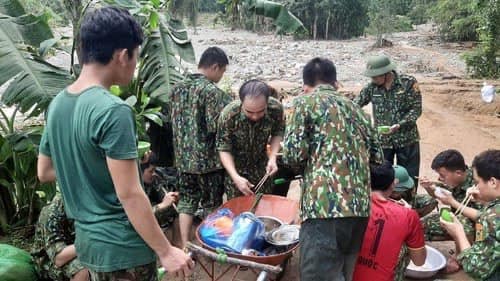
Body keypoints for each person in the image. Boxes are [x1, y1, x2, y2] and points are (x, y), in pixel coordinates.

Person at [37, 7, 193, 281]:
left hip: (90, 247)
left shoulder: (58, 104)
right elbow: (130, 194)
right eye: (136, 57)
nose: (135, 66)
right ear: (123, 55)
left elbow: (45, 171)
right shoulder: (112, 110)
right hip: (124, 249)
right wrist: (166, 251)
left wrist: (91, 166)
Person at [283, 57, 384, 281]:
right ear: (335, 82)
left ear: (305, 85)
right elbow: (378, 157)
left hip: (324, 206)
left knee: (319, 276)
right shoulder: (358, 111)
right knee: (343, 272)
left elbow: (292, 155)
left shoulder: (303, 104)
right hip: (359, 207)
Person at [170, 46, 233, 248]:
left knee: (187, 201)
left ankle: (186, 245)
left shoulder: (176, 88)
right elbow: (218, 127)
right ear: (215, 67)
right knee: (211, 204)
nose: (222, 76)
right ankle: (208, 246)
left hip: (183, 161)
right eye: (222, 71)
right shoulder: (212, 92)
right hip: (208, 164)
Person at [354, 54, 422, 193]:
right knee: (382, 179)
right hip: (383, 142)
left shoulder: (408, 83)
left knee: (409, 177)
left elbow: (416, 109)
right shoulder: (372, 88)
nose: (372, 79)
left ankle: (410, 209)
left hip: (407, 139)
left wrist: (400, 125)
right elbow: (355, 105)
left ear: (386, 73)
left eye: (375, 76)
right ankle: (387, 210)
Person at [353, 161, 426, 281]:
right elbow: (419, 261)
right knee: (406, 243)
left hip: (344, 274)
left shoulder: (351, 205)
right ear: (393, 184)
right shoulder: (408, 215)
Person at [217, 79, 285, 199]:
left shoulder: (275, 109)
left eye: (260, 111)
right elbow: (223, 148)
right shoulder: (229, 115)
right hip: (236, 170)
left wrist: (273, 157)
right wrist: (235, 177)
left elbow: (277, 133)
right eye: (249, 112)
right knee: (238, 210)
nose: (255, 116)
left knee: (263, 206)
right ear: (241, 102)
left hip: (262, 168)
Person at [440, 149, 499, 281]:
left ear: (493, 182)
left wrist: (459, 233)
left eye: (478, 182)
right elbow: (484, 215)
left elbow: (476, 269)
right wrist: (483, 200)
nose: (476, 187)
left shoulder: (493, 217)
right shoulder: (493, 209)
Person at [419, 149, 480, 241]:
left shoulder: (479, 185)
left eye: (442, 175)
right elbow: (438, 194)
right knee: (419, 226)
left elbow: (482, 218)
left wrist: (453, 202)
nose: (439, 179)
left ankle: (469, 251)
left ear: (458, 173)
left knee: (464, 224)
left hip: (480, 228)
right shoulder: (455, 180)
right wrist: (428, 187)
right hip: (458, 218)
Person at [31, 194, 89, 281]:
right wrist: (92, 244)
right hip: (48, 261)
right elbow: (58, 258)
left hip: (83, 251)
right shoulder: (53, 210)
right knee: (83, 268)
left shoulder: (95, 203)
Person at [141, 152, 179, 229]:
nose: (154, 173)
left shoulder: (155, 177)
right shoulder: (131, 190)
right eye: (151, 171)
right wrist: (162, 205)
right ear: (139, 172)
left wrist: (174, 197)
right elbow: (140, 218)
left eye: (154, 170)